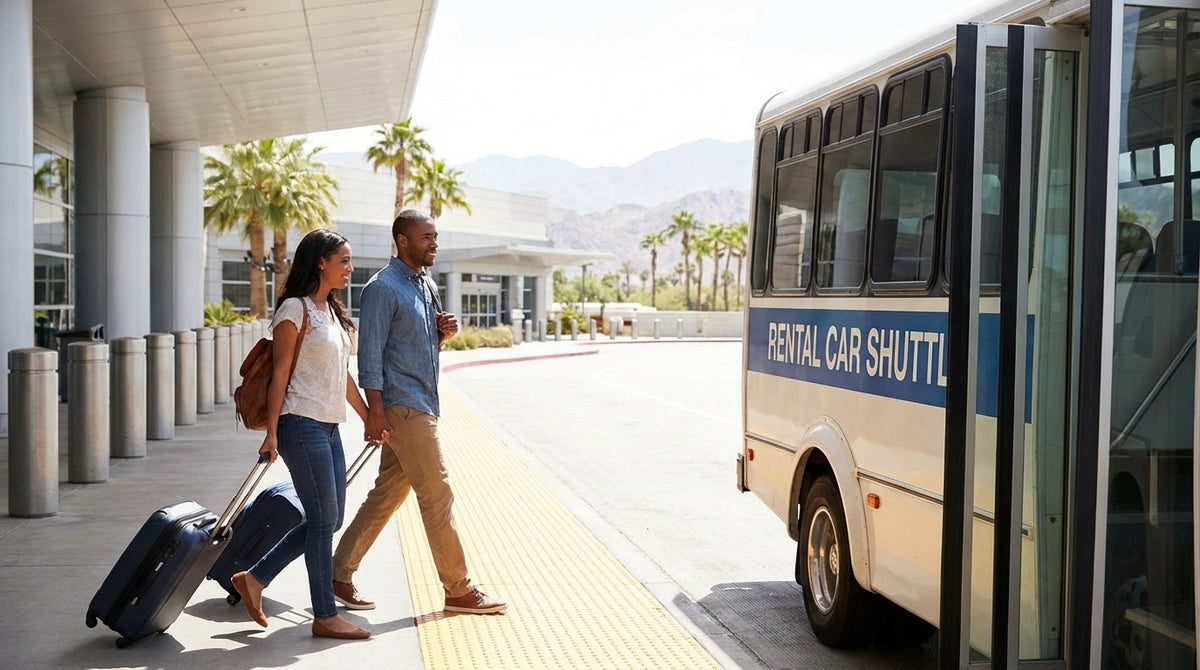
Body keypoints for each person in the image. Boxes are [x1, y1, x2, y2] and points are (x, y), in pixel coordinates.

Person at [330, 209, 507, 615]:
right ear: (403, 240)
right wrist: (375, 413)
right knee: (437, 493)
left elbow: (415, 347)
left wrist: (441, 335)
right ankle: (458, 589)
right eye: (426, 237)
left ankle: (337, 573)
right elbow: (370, 357)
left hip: (422, 400)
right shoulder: (382, 288)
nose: (434, 243)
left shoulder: (425, 283)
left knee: (388, 494)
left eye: (435, 236)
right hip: (401, 407)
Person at [231, 229, 374, 640]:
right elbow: (279, 374)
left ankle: (254, 579)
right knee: (322, 520)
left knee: (329, 519)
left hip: (328, 427)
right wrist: (272, 432)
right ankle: (324, 614)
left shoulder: (331, 312)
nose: (349, 267)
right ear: (320, 263)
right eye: (343, 260)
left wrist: (366, 417)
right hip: (299, 422)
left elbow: (342, 375)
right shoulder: (294, 309)